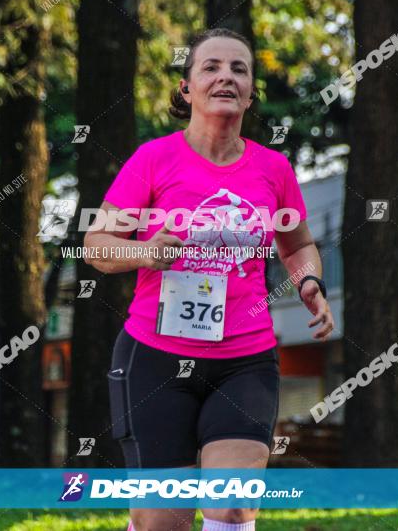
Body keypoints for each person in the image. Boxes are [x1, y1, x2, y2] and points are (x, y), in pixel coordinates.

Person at [84, 28, 334, 531]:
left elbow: (299, 245)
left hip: (245, 359)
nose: (226, 76)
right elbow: (96, 246)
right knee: (164, 521)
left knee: (233, 507)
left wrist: (308, 284)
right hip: (154, 356)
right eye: (212, 67)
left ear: (249, 91)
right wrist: (144, 251)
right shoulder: (154, 159)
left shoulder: (273, 169)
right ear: (187, 88)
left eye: (239, 69)